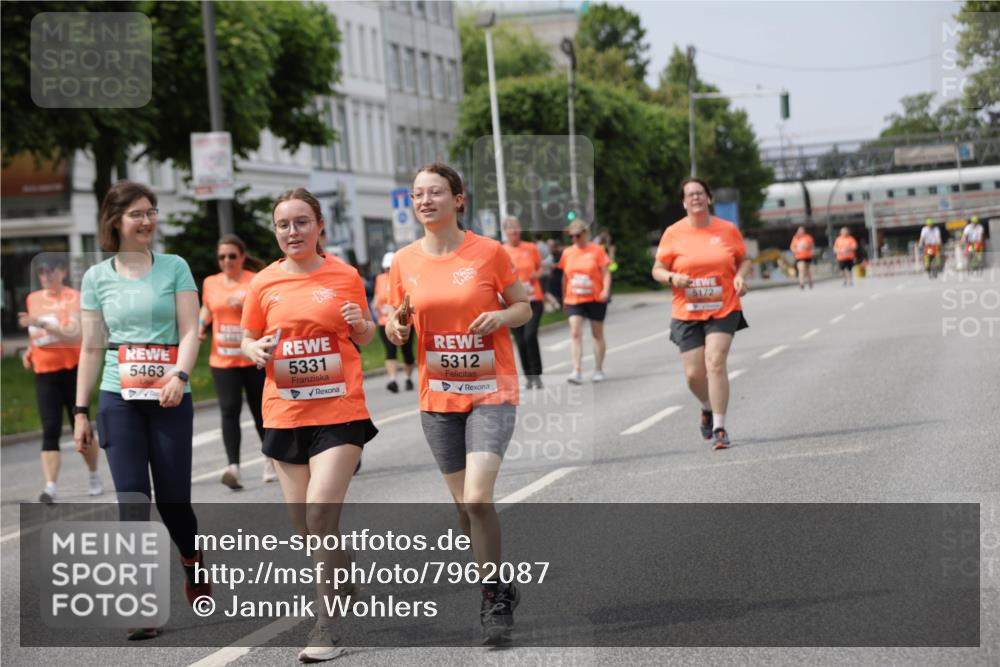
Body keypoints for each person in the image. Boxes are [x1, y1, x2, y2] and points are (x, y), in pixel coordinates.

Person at [385, 163, 531, 644]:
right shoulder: (403, 261)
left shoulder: (488, 252)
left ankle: (491, 596)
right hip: (438, 396)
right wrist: (397, 329)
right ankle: (500, 580)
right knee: (463, 510)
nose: (425, 201)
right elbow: (395, 318)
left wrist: (499, 315)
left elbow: (523, 306)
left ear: (458, 198)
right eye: (417, 194)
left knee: (476, 497)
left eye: (435, 192)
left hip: (492, 389)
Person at [241, 187, 378, 662]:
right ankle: (342, 570)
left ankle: (327, 626)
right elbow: (247, 335)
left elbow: (365, 332)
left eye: (302, 222)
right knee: (305, 527)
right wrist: (252, 349)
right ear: (275, 231)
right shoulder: (263, 283)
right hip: (285, 412)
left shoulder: (344, 274)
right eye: (283, 224)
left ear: (319, 226)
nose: (292, 231)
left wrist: (360, 321)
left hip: (340, 410)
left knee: (321, 513)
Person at [73, 181, 210, 640]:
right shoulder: (96, 277)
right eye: (137, 214)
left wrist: (180, 376)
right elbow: (92, 348)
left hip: (170, 396)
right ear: (116, 221)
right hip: (118, 397)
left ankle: (192, 558)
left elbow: (191, 330)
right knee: (132, 500)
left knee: (174, 504)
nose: (147, 220)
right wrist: (79, 410)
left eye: (151, 211)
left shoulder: (174, 267)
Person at [651, 178, 751, 451]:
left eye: (699, 193)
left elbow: (744, 260)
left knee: (715, 361)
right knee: (694, 374)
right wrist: (672, 277)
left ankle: (719, 427)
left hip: (723, 306)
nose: (695, 198)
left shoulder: (727, 230)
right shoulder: (673, 233)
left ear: (708, 199)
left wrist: (740, 277)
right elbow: (657, 269)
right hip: (687, 311)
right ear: (684, 202)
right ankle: (707, 407)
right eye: (689, 194)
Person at [19, 257, 102, 503]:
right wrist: (29, 351)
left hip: (73, 370)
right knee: (50, 428)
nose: (46, 275)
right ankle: (51, 486)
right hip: (45, 373)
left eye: (51, 270)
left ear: (63, 272)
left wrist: (42, 322)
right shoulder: (33, 299)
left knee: (81, 425)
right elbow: (34, 335)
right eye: (41, 271)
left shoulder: (73, 297)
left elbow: (75, 335)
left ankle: (94, 474)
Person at [199, 234, 273, 490]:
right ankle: (234, 468)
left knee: (259, 411)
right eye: (222, 257)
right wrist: (200, 326)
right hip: (223, 359)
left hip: (252, 357)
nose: (227, 261)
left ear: (242, 257)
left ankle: (270, 459)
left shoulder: (254, 281)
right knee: (229, 410)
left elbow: (265, 313)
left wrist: (243, 305)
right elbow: (207, 308)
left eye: (232, 256)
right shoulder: (211, 282)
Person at [559, 219, 612, 384]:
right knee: (575, 332)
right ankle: (576, 370)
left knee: (597, 334)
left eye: (577, 235)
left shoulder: (597, 250)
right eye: (571, 236)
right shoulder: (567, 252)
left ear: (585, 234)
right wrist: (563, 299)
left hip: (595, 297)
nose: (574, 239)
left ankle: (598, 369)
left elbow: (606, 273)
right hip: (574, 298)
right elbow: (565, 277)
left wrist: (605, 290)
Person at [503, 216, 545, 389]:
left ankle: (537, 375)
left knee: (530, 336)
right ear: (506, 232)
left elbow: (540, 267)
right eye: (511, 228)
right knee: (520, 341)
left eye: (517, 227)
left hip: (533, 299)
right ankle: (528, 376)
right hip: (513, 304)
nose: (514, 231)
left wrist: (537, 274)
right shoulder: (502, 251)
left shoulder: (531, 247)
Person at [372, 250, 415, 392]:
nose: (388, 271)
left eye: (391, 268)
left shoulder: (406, 278)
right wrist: (376, 307)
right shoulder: (380, 279)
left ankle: (408, 379)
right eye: (386, 268)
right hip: (385, 322)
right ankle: (393, 380)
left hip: (406, 321)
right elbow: (377, 298)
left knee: (407, 352)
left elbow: (412, 299)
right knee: (390, 351)